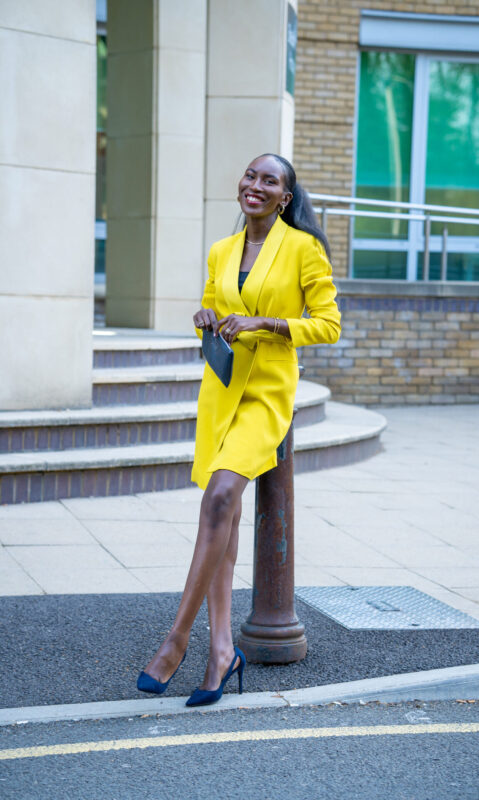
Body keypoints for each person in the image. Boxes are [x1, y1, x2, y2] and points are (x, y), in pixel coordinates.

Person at [137, 153, 341, 706]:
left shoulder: (304, 249)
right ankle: (223, 651)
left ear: (285, 197)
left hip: (266, 396)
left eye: (269, 180)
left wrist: (266, 323)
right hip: (220, 393)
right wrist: (206, 317)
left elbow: (328, 324)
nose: (255, 185)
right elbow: (213, 303)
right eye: (251, 176)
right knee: (220, 516)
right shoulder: (222, 251)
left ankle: (176, 640)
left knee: (221, 495)